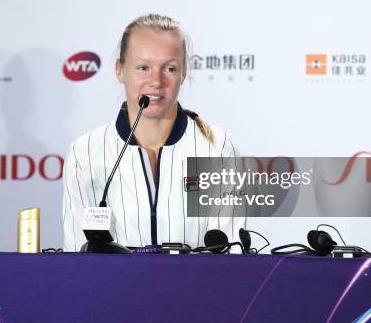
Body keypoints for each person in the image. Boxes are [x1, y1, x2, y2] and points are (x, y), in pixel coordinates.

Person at [62, 14, 245, 252]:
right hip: (113, 288)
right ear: (120, 70)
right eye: (143, 67)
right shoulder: (85, 151)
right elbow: (77, 255)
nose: (156, 81)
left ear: (183, 73)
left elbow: (230, 252)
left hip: (199, 288)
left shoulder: (217, 147)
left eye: (169, 68)